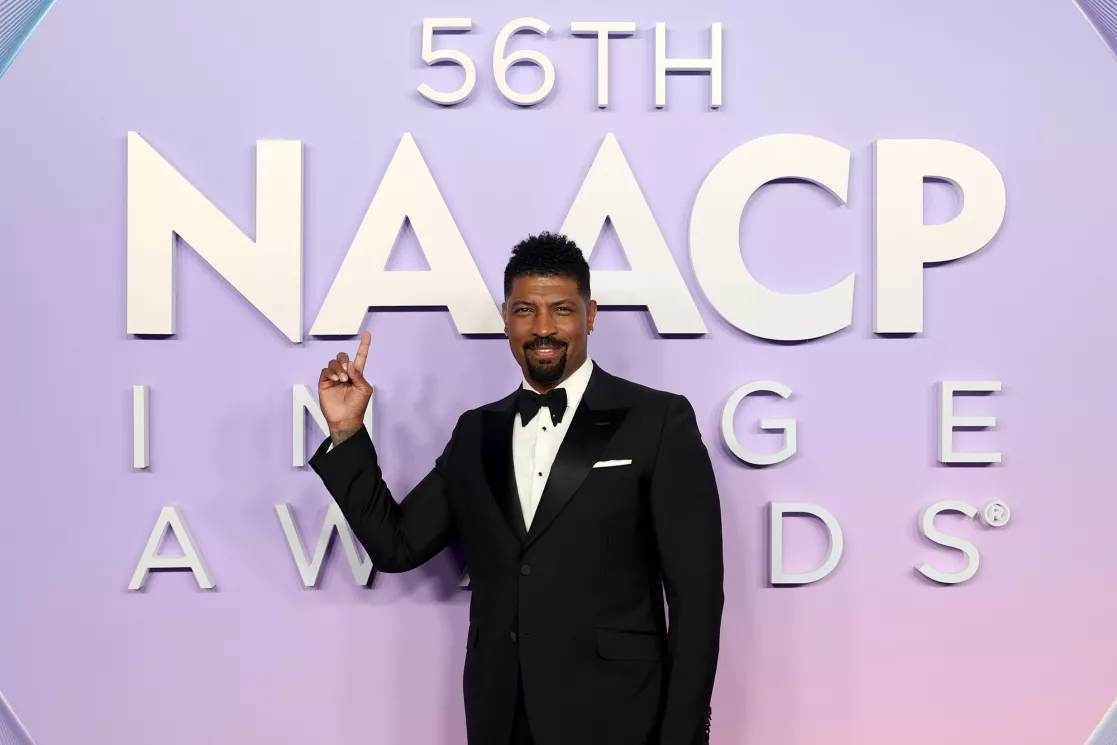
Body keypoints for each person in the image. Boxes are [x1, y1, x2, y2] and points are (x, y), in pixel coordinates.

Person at [310, 232, 724, 745]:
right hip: (501, 716)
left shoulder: (658, 420)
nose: (543, 328)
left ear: (590, 315)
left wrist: (683, 736)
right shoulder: (475, 433)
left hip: (621, 717)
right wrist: (347, 432)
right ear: (506, 317)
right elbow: (397, 546)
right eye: (526, 309)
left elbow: (697, 600)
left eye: (562, 310)